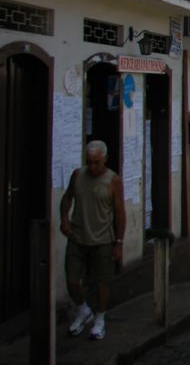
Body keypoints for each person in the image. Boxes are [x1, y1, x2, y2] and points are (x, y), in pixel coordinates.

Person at [60, 140, 126, 341]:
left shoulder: (113, 180)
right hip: (78, 237)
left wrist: (119, 242)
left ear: (104, 159)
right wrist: (64, 219)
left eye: (97, 162)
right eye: (90, 162)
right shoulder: (78, 176)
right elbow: (67, 197)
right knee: (72, 279)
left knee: (102, 282)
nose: (93, 166)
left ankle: (100, 318)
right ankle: (83, 309)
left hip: (103, 239)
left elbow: (119, 212)